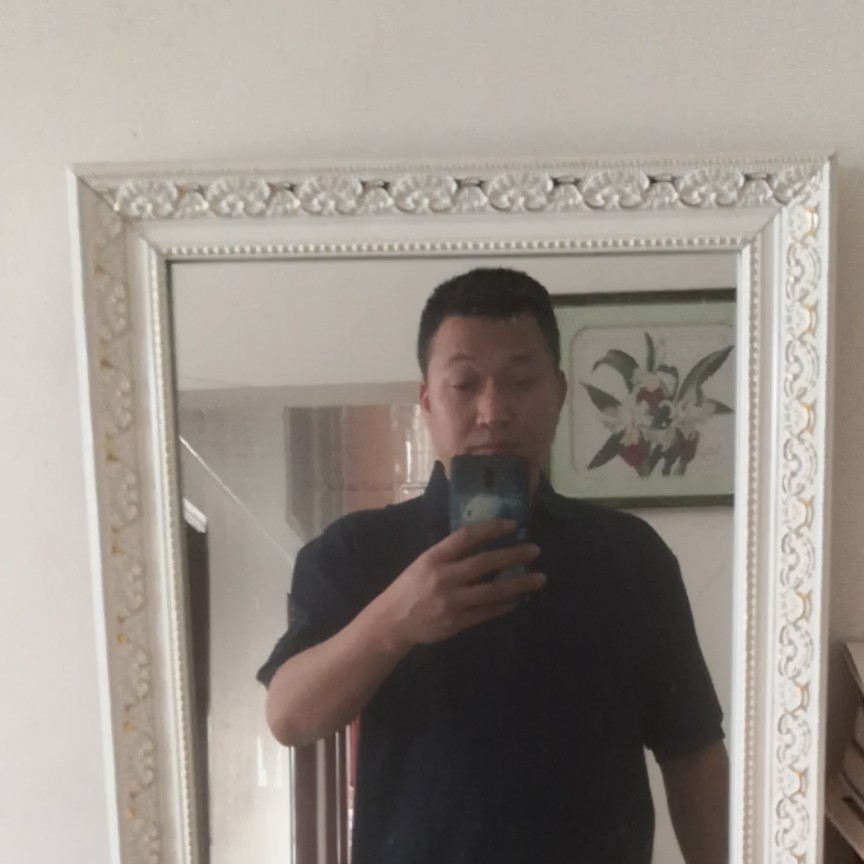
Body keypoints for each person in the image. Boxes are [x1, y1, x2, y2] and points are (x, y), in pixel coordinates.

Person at [258, 267, 729, 864]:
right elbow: (290, 718)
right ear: (427, 403)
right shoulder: (355, 550)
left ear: (559, 392)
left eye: (521, 381)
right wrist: (395, 620)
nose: (493, 410)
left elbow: (692, 749)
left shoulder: (631, 557)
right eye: (464, 383)